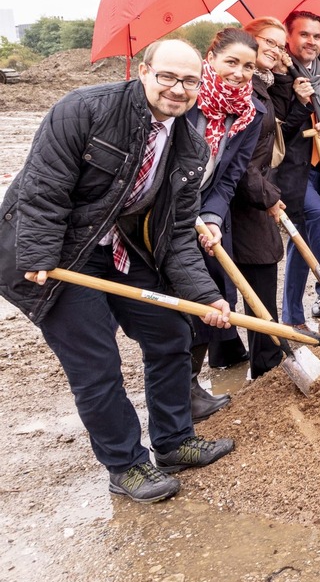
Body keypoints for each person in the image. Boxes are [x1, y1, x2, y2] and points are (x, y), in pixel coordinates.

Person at [0, 39, 235, 504]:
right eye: (167, 76)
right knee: (96, 364)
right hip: (61, 256)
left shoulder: (189, 143)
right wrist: (38, 256)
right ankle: (126, 464)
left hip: (121, 249)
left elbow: (176, 234)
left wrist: (205, 295)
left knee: (171, 333)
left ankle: (173, 441)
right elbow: (43, 188)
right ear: (144, 72)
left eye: (189, 81)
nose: (177, 88)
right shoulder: (83, 110)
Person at [185, 28, 263, 418]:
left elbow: (229, 176)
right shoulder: (185, 98)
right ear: (211, 57)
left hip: (208, 210)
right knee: (178, 299)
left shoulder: (251, 112)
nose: (239, 73)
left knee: (217, 293)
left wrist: (213, 216)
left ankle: (191, 386)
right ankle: (176, 391)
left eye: (248, 66)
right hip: (167, 211)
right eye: (231, 62)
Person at [272, 10, 320, 327]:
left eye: (317, 36)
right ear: (289, 36)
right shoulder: (278, 75)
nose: (311, 41)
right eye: (304, 34)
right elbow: (277, 136)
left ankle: (291, 315)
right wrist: (300, 103)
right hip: (290, 172)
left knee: (300, 238)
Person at [230, 16, 291, 378]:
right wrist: (267, 196)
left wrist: (284, 75)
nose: (275, 50)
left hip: (250, 193)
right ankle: (268, 365)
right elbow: (242, 160)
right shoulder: (243, 90)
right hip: (244, 199)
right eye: (268, 41)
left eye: (280, 45)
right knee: (261, 272)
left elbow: (278, 118)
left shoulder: (261, 85)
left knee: (248, 276)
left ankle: (233, 354)